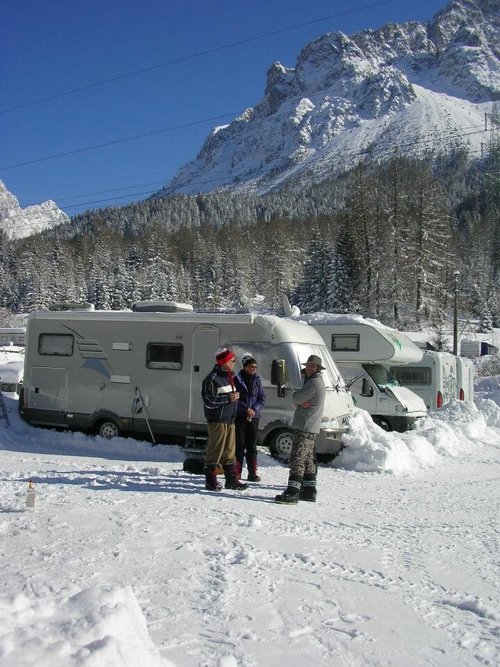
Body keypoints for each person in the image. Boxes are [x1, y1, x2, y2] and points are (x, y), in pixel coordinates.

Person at [275, 354, 326, 505]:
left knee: (297, 458)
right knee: (309, 459)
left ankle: (292, 492)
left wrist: (298, 401)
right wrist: (299, 401)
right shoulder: (315, 382)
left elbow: (296, 398)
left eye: (312, 366)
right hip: (310, 426)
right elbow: (300, 401)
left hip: (305, 426)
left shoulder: (314, 383)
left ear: (318, 368)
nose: (309, 368)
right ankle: (309, 491)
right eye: (308, 365)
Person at [201, 347, 248, 492]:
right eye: (232, 361)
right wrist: (229, 398)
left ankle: (231, 480)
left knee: (229, 452)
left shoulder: (229, 377)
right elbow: (208, 400)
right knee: (215, 451)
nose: (234, 363)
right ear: (225, 362)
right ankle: (211, 481)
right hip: (218, 420)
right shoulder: (212, 378)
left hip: (229, 419)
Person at [234, 355, 266, 482]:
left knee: (252, 445)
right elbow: (235, 398)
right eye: (251, 366)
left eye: (255, 367)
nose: (253, 369)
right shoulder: (237, 379)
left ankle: (252, 472)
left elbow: (262, 398)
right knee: (239, 444)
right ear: (245, 367)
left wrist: (254, 410)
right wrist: (245, 409)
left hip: (254, 416)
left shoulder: (257, 380)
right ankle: (237, 472)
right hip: (241, 416)